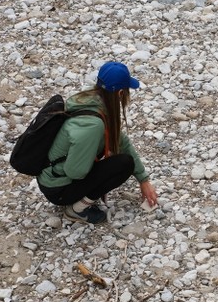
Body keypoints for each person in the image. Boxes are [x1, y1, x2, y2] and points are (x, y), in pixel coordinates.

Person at [37, 61, 158, 224]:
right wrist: (97, 159)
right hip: (57, 188)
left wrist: (144, 180)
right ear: (120, 93)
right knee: (123, 165)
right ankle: (76, 210)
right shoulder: (93, 125)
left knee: (118, 159)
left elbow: (122, 142)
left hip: (50, 176)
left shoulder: (91, 101)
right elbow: (75, 172)